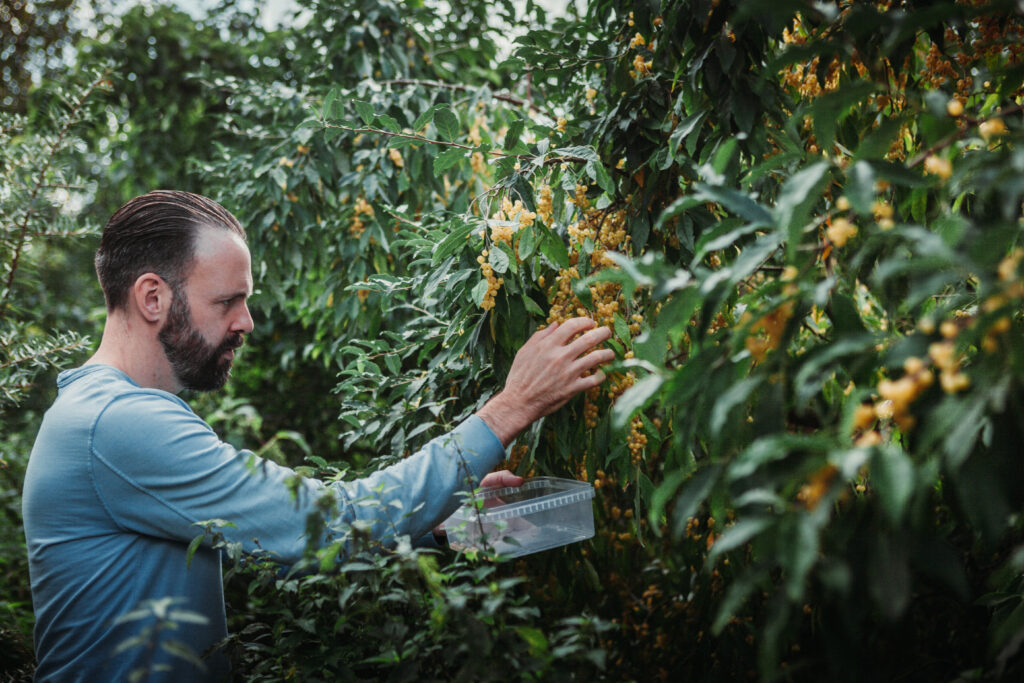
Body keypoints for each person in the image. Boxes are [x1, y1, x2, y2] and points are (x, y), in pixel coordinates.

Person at [21, 190, 613, 682]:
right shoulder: (118, 423)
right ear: (153, 297)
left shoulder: (107, 418)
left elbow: (278, 553)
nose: (246, 322)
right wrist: (510, 409)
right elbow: (326, 524)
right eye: (227, 301)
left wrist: (439, 532)